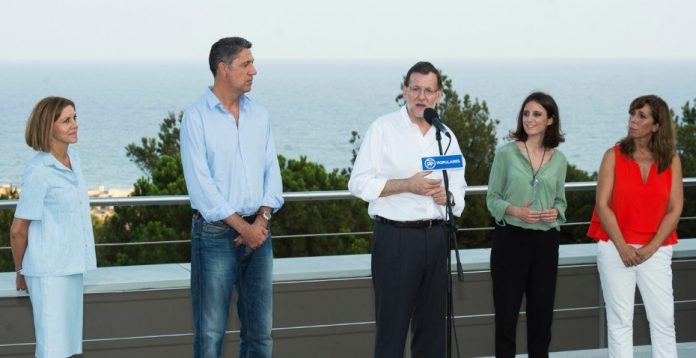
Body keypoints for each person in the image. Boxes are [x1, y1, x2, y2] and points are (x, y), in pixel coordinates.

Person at [348, 61, 467, 357]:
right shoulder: (383, 129)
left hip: (436, 239)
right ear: (404, 90)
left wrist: (447, 196)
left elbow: (459, 188)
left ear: (438, 95)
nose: (421, 96)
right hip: (396, 240)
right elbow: (359, 183)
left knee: (432, 331)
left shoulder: (446, 137)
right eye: (415, 89)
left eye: (428, 90)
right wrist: (406, 185)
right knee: (392, 330)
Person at [180, 37, 284, 358]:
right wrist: (244, 228)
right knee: (210, 335)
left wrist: (261, 221)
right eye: (246, 64)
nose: (254, 70)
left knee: (260, 334)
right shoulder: (196, 117)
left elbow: (272, 171)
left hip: (259, 234)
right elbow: (202, 186)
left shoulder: (259, 114)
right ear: (223, 69)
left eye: (252, 63)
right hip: (215, 237)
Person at [587, 95, 682, 358]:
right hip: (615, 249)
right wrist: (622, 247)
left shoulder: (671, 160)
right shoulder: (613, 156)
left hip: (657, 250)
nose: (633, 120)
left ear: (656, 125)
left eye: (641, 116)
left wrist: (651, 248)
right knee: (619, 322)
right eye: (632, 114)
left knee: (663, 320)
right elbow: (602, 204)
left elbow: (675, 209)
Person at [10, 96, 97, 358]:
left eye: (75, 117)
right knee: (51, 350)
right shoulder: (39, 170)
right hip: (49, 272)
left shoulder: (74, 160)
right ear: (49, 127)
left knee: (66, 348)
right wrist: (20, 270)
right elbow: (18, 229)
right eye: (66, 120)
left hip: (72, 267)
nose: (75, 125)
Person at [486, 92, 567, 358]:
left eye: (537, 114)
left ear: (550, 120)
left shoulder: (559, 160)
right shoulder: (506, 154)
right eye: (526, 113)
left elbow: (561, 202)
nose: (529, 119)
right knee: (506, 321)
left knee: (542, 322)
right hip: (510, 240)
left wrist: (555, 211)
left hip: (545, 244)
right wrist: (513, 210)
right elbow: (492, 199)